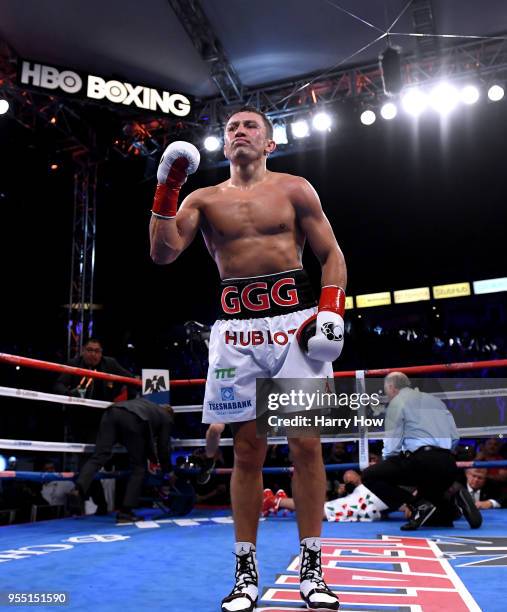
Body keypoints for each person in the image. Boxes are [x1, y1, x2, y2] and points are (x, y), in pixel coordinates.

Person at [150, 106, 346, 612]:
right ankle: (244, 572)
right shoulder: (203, 198)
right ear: (224, 143)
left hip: (295, 326)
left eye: (250, 126)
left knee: (305, 447)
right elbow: (163, 253)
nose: (239, 132)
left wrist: (330, 311)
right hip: (236, 332)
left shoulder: (295, 189)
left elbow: (332, 255)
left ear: (270, 142)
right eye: (232, 127)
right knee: (247, 452)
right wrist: (168, 187)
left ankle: (313, 568)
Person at [362, 372, 461, 530]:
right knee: (439, 520)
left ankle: (418, 504)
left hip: (422, 463)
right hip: (449, 464)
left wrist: (386, 464)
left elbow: (392, 445)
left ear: (391, 387)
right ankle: (451, 507)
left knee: (369, 475)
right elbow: (455, 437)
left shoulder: (397, 402)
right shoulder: (436, 401)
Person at [66, 397, 174, 523]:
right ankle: (126, 512)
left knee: (99, 456)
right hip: (132, 420)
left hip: (111, 412)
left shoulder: (148, 406)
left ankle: (78, 490)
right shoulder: (166, 418)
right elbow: (163, 448)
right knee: (139, 467)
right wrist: (169, 471)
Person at [263, 468, 388, 522]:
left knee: (319, 508)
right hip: (364, 498)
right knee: (319, 509)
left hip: (369, 500)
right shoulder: (360, 485)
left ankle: (279, 501)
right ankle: (274, 501)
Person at [54, 338, 136, 402]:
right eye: (89, 350)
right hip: (78, 409)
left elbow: (131, 379)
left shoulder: (110, 363)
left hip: (104, 411)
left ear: (101, 353)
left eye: (97, 351)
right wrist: (69, 394)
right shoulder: (74, 363)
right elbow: (59, 384)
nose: (93, 354)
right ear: (83, 351)